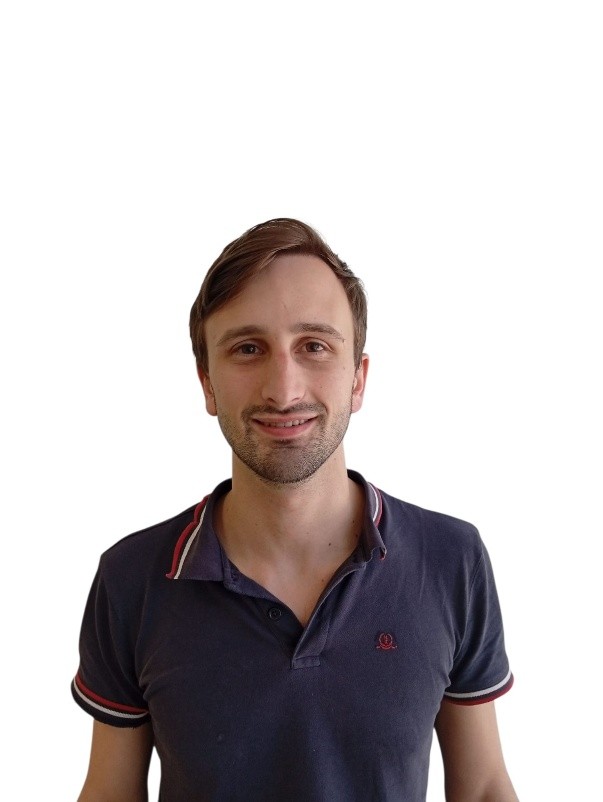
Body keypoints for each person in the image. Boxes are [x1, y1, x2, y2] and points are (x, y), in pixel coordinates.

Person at [72, 218, 518, 801]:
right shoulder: (132, 577)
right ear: (207, 384)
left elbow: (483, 788)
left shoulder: (451, 559)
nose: (283, 391)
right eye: (247, 349)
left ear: (358, 379)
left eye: (314, 346)